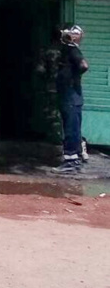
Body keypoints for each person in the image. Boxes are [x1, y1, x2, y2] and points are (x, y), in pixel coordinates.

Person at [53, 25, 89, 175]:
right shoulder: (66, 50)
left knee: (71, 128)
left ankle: (71, 161)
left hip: (71, 96)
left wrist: (72, 79)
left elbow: (83, 65)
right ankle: (74, 158)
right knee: (71, 127)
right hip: (69, 96)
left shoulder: (72, 50)